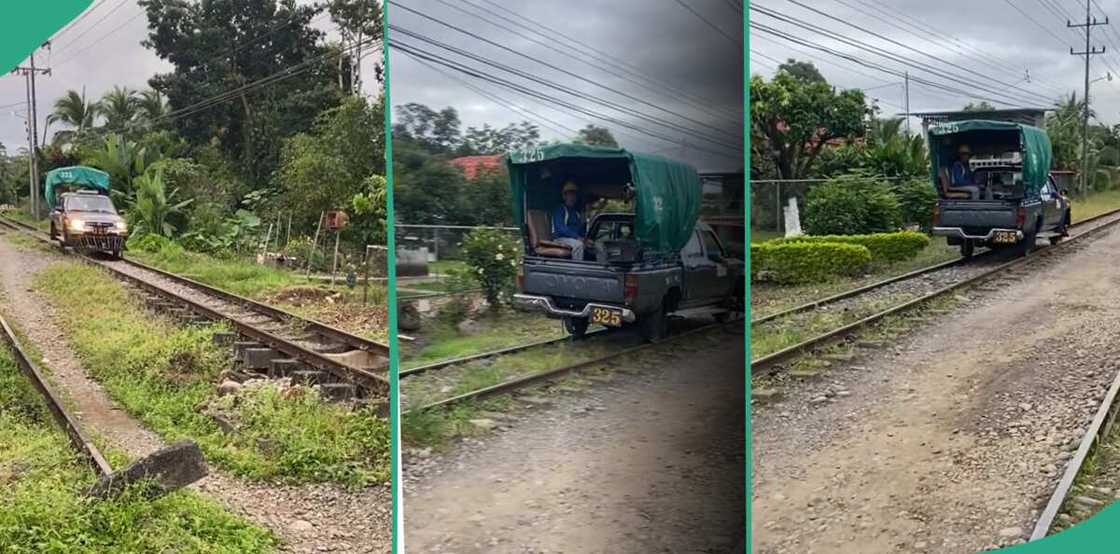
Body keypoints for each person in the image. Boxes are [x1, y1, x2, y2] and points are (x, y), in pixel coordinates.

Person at [551, 180, 592, 260]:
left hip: (574, 239)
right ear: (564, 196)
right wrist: (577, 237)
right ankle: (577, 269)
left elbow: (580, 231)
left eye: (574, 195)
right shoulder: (560, 209)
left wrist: (586, 239)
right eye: (570, 195)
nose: (572, 197)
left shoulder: (576, 213)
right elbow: (560, 228)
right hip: (560, 238)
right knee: (579, 245)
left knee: (598, 245)